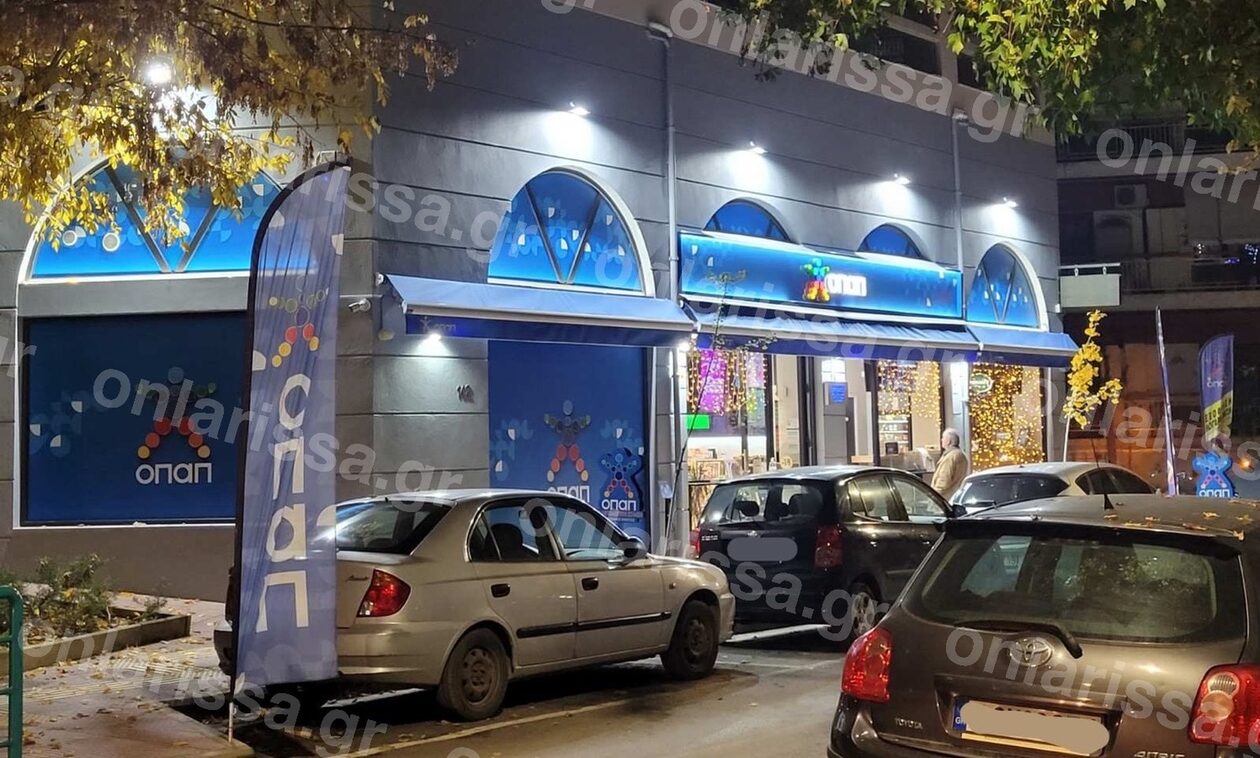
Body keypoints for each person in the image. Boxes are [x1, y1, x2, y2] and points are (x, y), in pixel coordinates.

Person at [931, 428, 969, 500]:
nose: (941, 440)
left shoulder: (950, 457)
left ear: (949, 441)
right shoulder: (961, 455)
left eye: (943, 438)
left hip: (945, 498)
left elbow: (943, 481)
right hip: (955, 496)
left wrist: (934, 496)